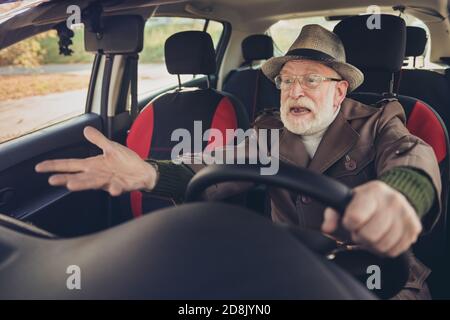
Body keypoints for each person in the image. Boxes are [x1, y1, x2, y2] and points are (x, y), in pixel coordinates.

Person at [35, 25, 441, 299]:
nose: (293, 90)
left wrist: (400, 197)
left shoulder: (381, 119)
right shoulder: (268, 130)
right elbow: (212, 168)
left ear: (338, 92)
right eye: (286, 80)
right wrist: (149, 172)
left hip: (378, 279)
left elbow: (411, 156)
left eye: (311, 80)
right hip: (290, 271)